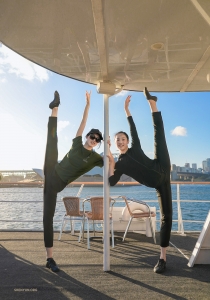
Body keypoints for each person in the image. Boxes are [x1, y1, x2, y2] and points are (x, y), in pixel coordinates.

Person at [107, 87, 172, 274]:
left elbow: (133, 128)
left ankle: (152, 102)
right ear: (115, 143)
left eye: (122, 139)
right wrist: (111, 160)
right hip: (160, 183)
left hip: (162, 165)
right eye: (117, 140)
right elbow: (111, 182)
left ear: (127, 141)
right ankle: (163, 258)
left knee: (159, 134)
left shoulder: (134, 147)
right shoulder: (120, 164)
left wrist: (127, 110)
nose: (120, 141)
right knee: (166, 217)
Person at [43, 90, 103, 272]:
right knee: (52, 140)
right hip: (52, 168)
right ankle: (55, 108)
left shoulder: (95, 158)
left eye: (97, 140)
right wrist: (88, 105)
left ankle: (49, 259)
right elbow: (83, 122)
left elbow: (109, 162)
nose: (94, 140)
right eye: (92, 137)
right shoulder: (78, 143)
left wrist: (108, 149)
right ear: (87, 136)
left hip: (56, 184)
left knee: (48, 218)